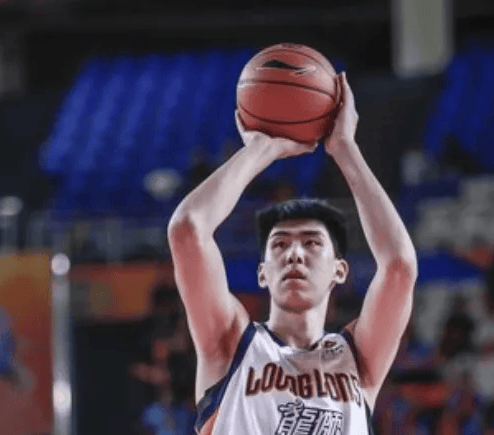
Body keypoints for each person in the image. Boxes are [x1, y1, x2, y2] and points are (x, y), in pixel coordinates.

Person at [167, 72, 418, 434]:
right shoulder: (232, 343)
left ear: (340, 270)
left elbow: (400, 266)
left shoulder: (357, 358)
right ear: (262, 273)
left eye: (312, 243)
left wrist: (345, 149)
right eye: (280, 244)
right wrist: (261, 150)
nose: (294, 254)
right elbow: (187, 229)